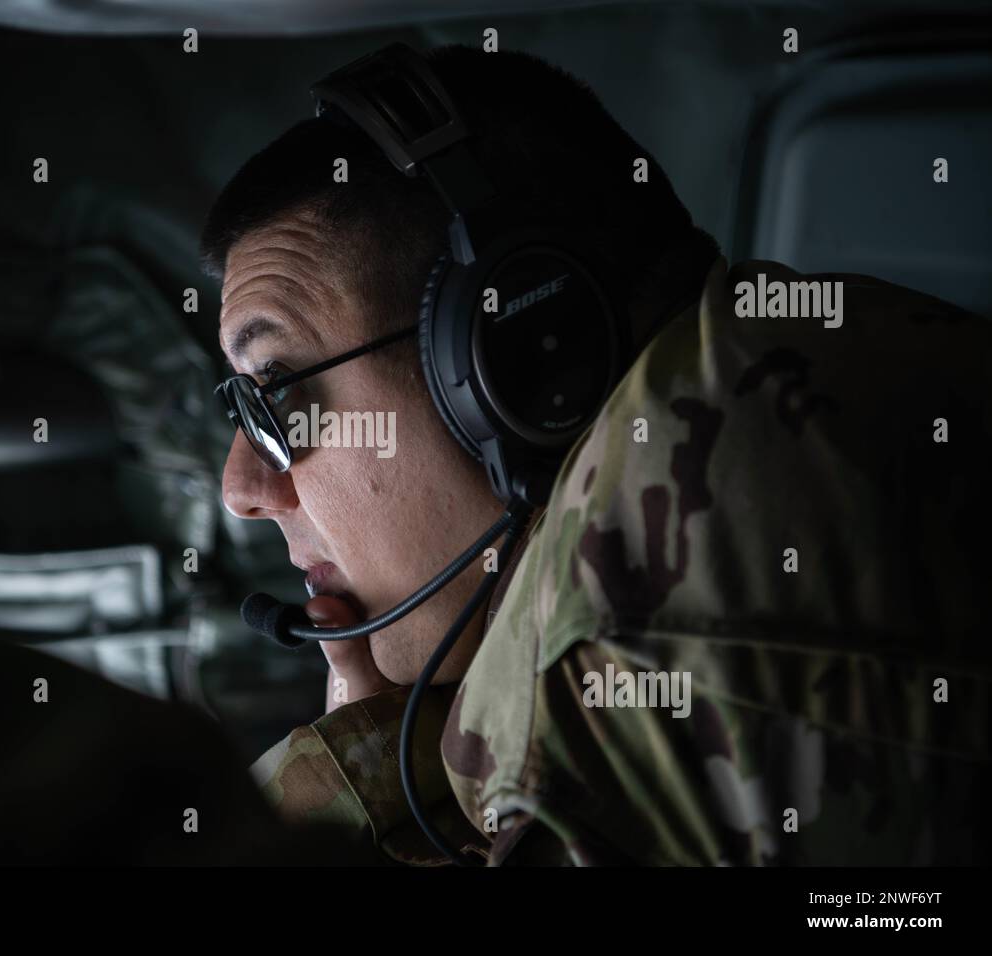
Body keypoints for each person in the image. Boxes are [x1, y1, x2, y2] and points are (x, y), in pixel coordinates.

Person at [201, 44, 991, 865]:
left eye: (279, 390)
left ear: (518, 357)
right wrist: (382, 769)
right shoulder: (767, 374)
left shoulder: (623, 625)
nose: (242, 489)